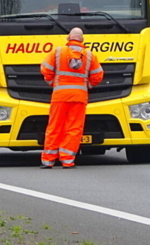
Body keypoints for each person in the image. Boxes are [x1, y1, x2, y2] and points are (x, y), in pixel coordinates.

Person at [39, 28, 104, 168]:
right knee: (74, 128)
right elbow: (98, 76)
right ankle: (67, 160)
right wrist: (88, 85)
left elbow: (45, 69)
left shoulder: (58, 52)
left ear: (68, 38)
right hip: (79, 97)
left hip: (59, 96)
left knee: (54, 126)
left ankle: (49, 160)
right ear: (82, 40)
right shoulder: (90, 55)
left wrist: (52, 82)